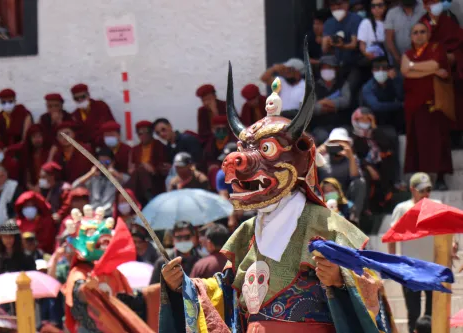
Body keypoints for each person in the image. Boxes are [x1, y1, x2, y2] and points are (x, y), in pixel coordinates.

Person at [159, 55, 395, 332]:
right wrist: (184, 286)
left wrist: (340, 280)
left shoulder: (326, 224)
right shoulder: (247, 232)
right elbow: (227, 292)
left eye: (266, 150)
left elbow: (369, 286)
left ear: (300, 162)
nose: (244, 161)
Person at [401, 22, 452, 190]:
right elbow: (404, 71)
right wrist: (432, 71)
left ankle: (440, 179)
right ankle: (420, 180)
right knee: (417, 143)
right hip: (415, 106)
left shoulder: (436, 48)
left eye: (422, 31)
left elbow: (435, 65)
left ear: (428, 34)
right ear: (411, 36)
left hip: (434, 104)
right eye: (415, 32)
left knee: (439, 141)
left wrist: (415, 67)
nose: (419, 35)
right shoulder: (407, 53)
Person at [388, 173, 436, 333]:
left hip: (433, 267)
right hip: (410, 268)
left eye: (428, 189)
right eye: (422, 190)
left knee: (433, 314)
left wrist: (453, 247)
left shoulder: (436, 205)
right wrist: (394, 263)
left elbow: (445, 231)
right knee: (414, 313)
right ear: (412, 190)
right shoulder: (402, 208)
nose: (426, 194)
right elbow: (392, 235)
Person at [419, 0, 463, 135]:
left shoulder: (448, 21)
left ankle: (457, 134)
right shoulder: (422, 24)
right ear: (425, 6)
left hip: (452, 72)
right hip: (433, 73)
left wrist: (455, 56)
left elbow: (460, 43)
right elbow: (419, 49)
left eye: (437, 2)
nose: (436, 5)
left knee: (456, 104)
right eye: (432, 2)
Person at [350, 107, 397, 211]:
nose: (365, 122)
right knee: (366, 176)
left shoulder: (375, 133)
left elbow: (386, 146)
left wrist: (374, 127)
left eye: (368, 120)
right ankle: (366, 208)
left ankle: (385, 201)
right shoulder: (352, 136)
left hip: (379, 165)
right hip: (363, 167)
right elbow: (356, 157)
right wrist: (369, 167)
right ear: (355, 120)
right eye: (362, 119)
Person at [317, 128, 366, 223]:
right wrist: (316, 154)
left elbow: (355, 177)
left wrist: (351, 156)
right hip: (323, 195)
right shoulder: (321, 158)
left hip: (344, 196)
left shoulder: (351, 158)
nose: (337, 147)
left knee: (360, 182)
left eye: (340, 144)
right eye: (334, 144)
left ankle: (353, 218)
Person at [72, 146, 129, 216]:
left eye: (107, 162)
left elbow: (130, 182)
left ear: (113, 162)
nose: (104, 165)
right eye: (101, 162)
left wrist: (116, 174)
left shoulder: (117, 178)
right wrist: (90, 173)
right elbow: (74, 185)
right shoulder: (92, 178)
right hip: (93, 213)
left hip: (109, 214)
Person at [322, 0, 364, 93]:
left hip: (355, 63)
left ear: (347, 4)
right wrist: (328, 42)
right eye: (332, 5)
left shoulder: (355, 19)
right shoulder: (329, 23)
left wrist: (342, 45)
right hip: (337, 64)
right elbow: (324, 49)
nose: (336, 7)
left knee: (349, 89)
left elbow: (354, 44)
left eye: (339, 4)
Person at [309, 55, 352, 140]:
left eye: (330, 68)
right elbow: (310, 107)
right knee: (322, 137)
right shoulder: (313, 86)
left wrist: (326, 102)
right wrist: (322, 108)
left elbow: (346, 101)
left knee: (339, 138)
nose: (327, 70)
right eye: (324, 68)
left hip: (340, 125)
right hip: (320, 126)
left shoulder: (343, 84)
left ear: (336, 69)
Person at [129, 121, 168, 204]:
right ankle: (148, 196)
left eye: (147, 132)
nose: (144, 135)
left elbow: (164, 166)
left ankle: (135, 200)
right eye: (140, 133)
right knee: (139, 171)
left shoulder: (159, 146)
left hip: (155, 178)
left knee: (140, 171)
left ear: (151, 133)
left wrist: (153, 169)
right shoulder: (135, 149)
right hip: (139, 177)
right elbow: (131, 167)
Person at [361, 56, 404, 131]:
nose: (381, 71)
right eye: (377, 69)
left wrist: (395, 80)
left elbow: (401, 96)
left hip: (394, 116)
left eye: (384, 69)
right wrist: (400, 105)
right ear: (373, 71)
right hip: (376, 119)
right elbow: (376, 106)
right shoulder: (368, 87)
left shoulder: (395, 80)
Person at [384, 0, 426, 68]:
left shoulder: (424, 9)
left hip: (423, 59)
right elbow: (389, 39)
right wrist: (398, 58)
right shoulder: (392, 13)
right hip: (400, 61)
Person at [17, 124, 52, 191]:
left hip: (48, 187)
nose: (37, 139)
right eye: (34, 137)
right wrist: (31, 187)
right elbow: (26, 177)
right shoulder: (26, 154)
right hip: (32, 188)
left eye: (39, 136)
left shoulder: (49, 152)